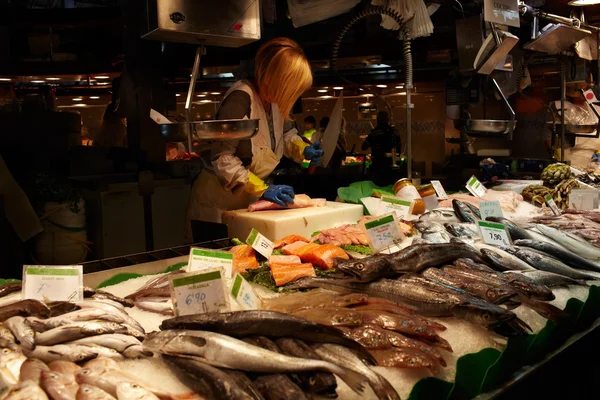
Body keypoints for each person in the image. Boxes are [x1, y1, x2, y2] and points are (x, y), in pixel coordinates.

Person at [185, 38, 322, 242]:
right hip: (216, 200)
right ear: (274, 78)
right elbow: (222, 158)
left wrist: (304, 149)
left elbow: (285, 134)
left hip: (246, 197)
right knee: (218, 260)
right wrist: (262, 188)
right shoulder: (240, 98)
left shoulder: (273, 99)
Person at [362, 111, 400, 175]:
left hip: (377, 166)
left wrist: (366, 140)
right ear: (388, 119)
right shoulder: (394, 132)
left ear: (378, 119)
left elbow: (363, 147)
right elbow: (399, 149)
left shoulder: (374, 133)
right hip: (391, 166)